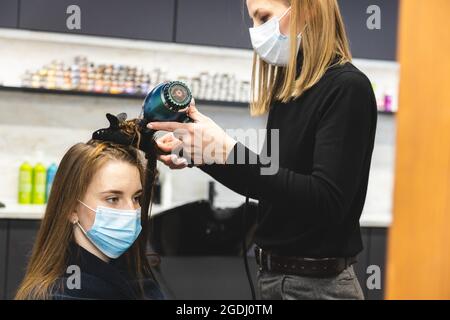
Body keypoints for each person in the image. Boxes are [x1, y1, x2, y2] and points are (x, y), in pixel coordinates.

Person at [149, 0, 377, 300]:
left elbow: (326, 200)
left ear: (306, 9)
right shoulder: (290, 92)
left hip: (317, 287)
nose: (255, 32)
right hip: (272, 278)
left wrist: (229, 151)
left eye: (264, 17)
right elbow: (270, 183)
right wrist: (199, 150)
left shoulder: (348, 88)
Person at [15, 114, 163, 300]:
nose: (132, 211)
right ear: (72, 209)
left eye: (136, 198)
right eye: (113, 199)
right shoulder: (60, 293)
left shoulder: (136, 276)